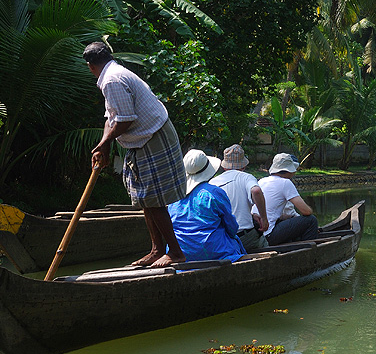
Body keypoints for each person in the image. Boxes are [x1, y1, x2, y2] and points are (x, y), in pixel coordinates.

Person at [85, 42, 186, 268]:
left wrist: (107, 142)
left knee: (153, 199)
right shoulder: (111, 75)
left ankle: (175, 253)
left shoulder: (112, 79)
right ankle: (157, 250)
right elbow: (110, 118)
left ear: (91, 66)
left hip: (154, 136)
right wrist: (104, 145)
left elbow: (126, 119)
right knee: (144, 200)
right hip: (143, 139)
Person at [167, 150, 247, 262]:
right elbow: (232, 227)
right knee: (234, 241)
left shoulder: (175, 196)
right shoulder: (214, 193)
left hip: (182, 250)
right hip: (214, 251)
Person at [209, 144, 269, 252]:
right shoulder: (246, 177)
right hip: (244, 236)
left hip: (222, 239)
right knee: (263, 244)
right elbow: (256, 191)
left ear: (224, 166)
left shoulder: (213, 182)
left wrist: (252, 214)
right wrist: (264, 218)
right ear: (243, 166)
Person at [253, 153, 319, 245]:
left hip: (257, 233)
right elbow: (306, 211)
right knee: (311, 220)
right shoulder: (285, 182)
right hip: (269, 234)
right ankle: (308, 251)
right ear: (289, 171)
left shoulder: (262, 180)